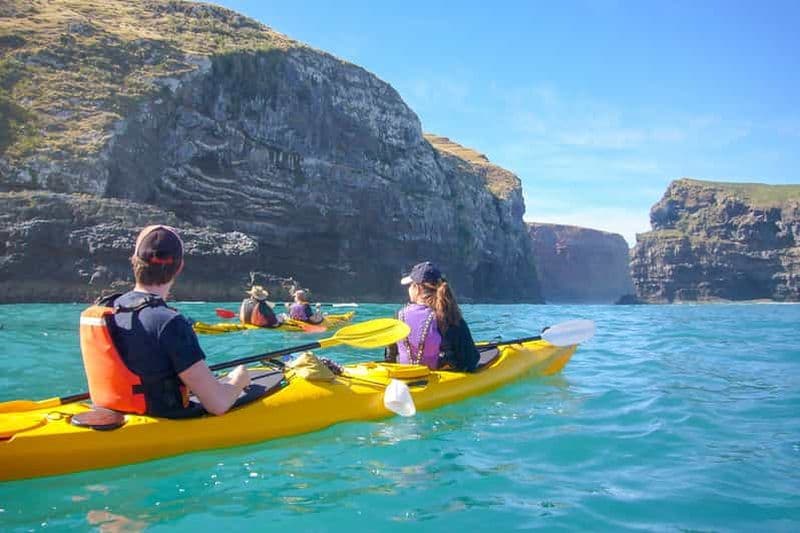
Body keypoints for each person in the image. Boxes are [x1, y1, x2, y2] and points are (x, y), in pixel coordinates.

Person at [79, 225, 250, 417]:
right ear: (179, 267)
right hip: (160, 419)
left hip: (110, 411)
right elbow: (218, 404)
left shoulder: (109, 307)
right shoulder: (169, 322)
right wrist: (239, 379)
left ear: (134, 261)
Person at [385, 261, 480, 371]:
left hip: (403, 379)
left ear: (418, 288)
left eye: (410, 285)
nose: (409, 289)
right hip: (441, 381)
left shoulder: (398, 316)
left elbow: (389, 358)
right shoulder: (450, 317)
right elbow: (471, 360)